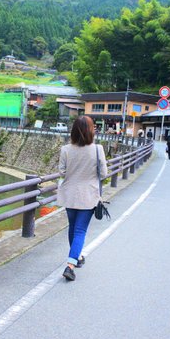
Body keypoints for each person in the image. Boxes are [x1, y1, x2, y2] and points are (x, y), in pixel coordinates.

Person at [57, 116, 107, 281]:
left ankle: (76, 257)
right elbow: (104, 174)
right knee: (80, 230)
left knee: (73, 227)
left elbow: (62, 172)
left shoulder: (65, 149)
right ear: (91, 130)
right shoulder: (97, 149)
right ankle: (70, 265)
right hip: (88, 195)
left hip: (69, 194)